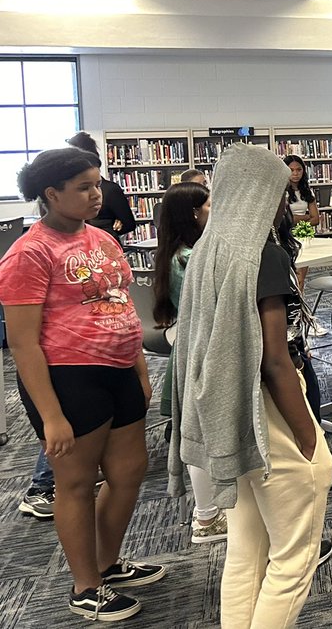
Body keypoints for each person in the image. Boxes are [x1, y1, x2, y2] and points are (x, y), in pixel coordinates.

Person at [169, 142, 332, 628]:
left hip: (227, 412)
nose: (287, 203)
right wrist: (309, 439)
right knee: (293, 559)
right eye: (280, 193)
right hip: (270, 417)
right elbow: (276, 362)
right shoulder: (263, 255)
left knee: (246, 551)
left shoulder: (206, 250)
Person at [0, 147, 163, 622]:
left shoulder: (102, 239)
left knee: (130, 471)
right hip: (69, 379)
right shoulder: (28, 253)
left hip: (117, 370)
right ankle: (84, 585)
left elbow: (122, 305)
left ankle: (108, 564)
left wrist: (139, 367)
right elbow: (24, 345)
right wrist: (51, 415)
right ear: (51, 195)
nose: (98, 194)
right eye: (85, 187)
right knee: (74, 484)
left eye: (98, 183)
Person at [151, 180, 227, 544]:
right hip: (203, 352)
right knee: (201, 434)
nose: (216, 211)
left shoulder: (175, 253)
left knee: (197, 431)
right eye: (211, 206)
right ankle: (207, 517)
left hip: (189, 347)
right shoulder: (191, 259)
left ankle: (209, 513)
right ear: (195, 213)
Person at [66, 131, 136, 243]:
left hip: (104, 248)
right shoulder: (67, 192)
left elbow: (129, 223)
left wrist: (109, 231)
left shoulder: (110, 190)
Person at [283, 155, 319, 293]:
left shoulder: (306, 191)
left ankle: (301, 309)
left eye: (299, 169)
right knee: (289, 278)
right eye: (291, 170)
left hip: (303, 237)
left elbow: (316, 219)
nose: (295, 173)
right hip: (287, 237)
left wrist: (296, 219)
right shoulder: (282, 191)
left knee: (301, 278)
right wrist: (305, 216)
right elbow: (285, 220)